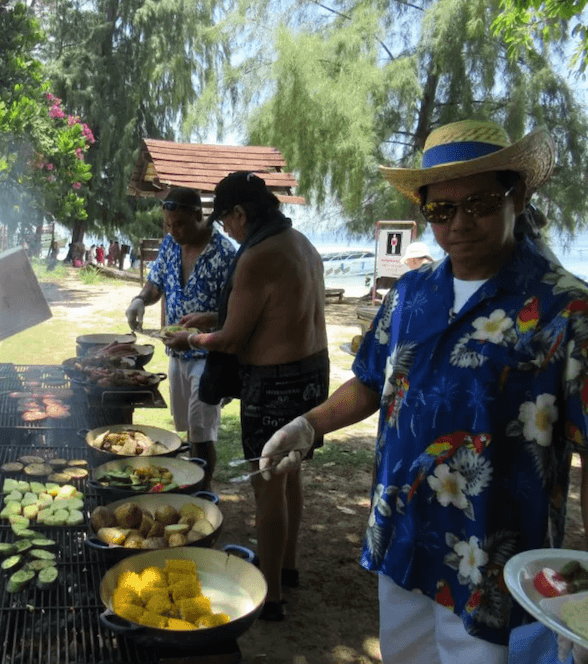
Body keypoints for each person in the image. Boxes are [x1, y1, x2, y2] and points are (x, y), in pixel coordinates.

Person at [258, 120, 588, 662]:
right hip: (403, 538)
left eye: (479, 202)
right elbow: (371, 382)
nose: (459, 222)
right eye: (441, 209)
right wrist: (309, 424)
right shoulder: (411, 293)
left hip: (492, 562)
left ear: (518, 196)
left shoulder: (565, 310)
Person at [164, 173, 328, 622]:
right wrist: (214, 315)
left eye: (226, 220)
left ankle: (271, 593)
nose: (227, 231)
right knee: (291, 474)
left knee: (267, 483)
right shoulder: (300, 243)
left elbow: (234, 339)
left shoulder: (257, 254)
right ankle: (288, 565)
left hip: (275, 383)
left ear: (239, 213)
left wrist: (192, 340)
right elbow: (275, 308)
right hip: (313, 375)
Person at [125, 187, 236, 490]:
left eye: (180, 224)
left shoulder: (224, 253)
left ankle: (202, 493)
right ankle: (191, 483)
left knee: (202, 433)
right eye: (168, 225)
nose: (173, 231)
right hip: (177, 353)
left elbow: (238, 310)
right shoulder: (170, 246)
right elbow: (156, 283)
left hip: (208, 355)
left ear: (199, 216)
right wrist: (139, 300)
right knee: (187, 429)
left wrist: (207, 320)